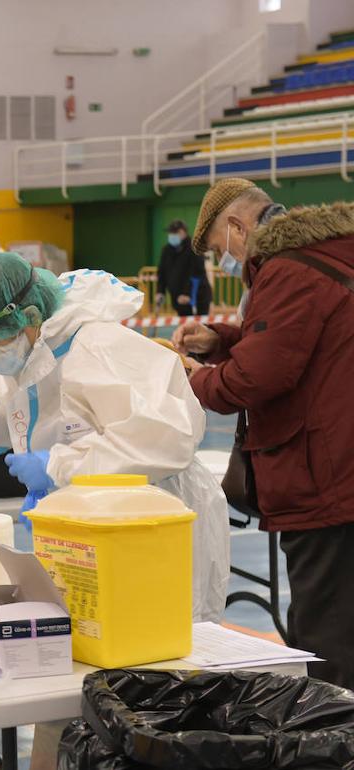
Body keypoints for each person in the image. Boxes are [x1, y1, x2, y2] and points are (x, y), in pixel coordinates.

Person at [0, 251, 229, 623]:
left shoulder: (98, 346)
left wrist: (59, 465)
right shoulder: (31, 350)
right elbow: (10, 396)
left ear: (29, 317)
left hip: (159, 521)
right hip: (94, 528)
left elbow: (165, 437)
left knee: (165, 654)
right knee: (100, 646)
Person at [174, 178, 354, 689]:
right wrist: (223, 340)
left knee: (328, 634)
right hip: (341, 466)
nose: (223, 262)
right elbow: (294, 342)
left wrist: (196, 378)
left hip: (327, 479)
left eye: (218, 250)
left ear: (236, 226)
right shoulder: (324, 255)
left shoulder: (288, 269)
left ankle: (334, 744)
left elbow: (259, 376)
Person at [156, 219, 212, 317]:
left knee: (199, 328)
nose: (171, 235)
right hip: (178, 299)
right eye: (170, 233)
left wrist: (187, 294)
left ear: (182, 232)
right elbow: (162, 273)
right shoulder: (166, 250)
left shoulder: (194, 248)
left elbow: (197, 272)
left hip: (197, 298)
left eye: (174, 232)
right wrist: (160, 291)